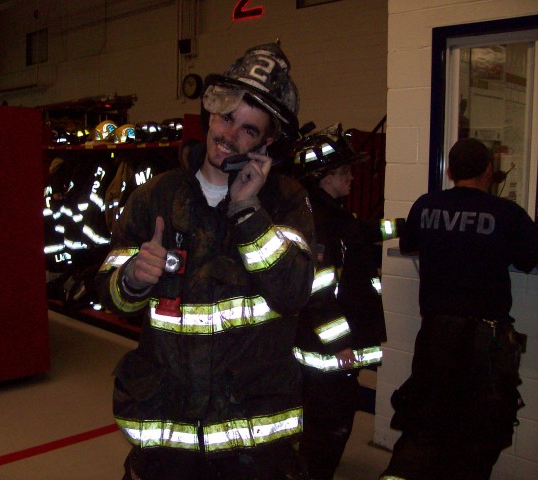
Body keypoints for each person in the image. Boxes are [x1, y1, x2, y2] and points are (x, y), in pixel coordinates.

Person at [95, 41, 315, 480]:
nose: (229, 135)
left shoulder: (287, 201)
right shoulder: (155, 196)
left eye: (248, 130)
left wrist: (248, 212)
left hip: (253, 445)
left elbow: (294, 292)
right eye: (227, 117)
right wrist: (133, 278)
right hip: (167, 434)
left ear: (267, 143)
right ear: (210, 112)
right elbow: (108, 291)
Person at [380, 137, 538, 480]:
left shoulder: (425, 205)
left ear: (449, 171)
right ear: (488, 171)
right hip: (486, 342)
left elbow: (410, 244)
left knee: (424, 423)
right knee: (479, 434)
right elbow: (530, 258)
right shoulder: (507, 213)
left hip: (436, 334)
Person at [291, 125, 403, 480]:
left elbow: (361, 232)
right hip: (329, 353)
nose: (351, 178)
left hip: (333, 352)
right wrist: (340, 342)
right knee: (329, 426)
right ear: (323, 178)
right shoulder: (320, 223)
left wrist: (405, 227)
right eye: (343, 172)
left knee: (331, 421)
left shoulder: (334, 215)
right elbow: (318, 290)